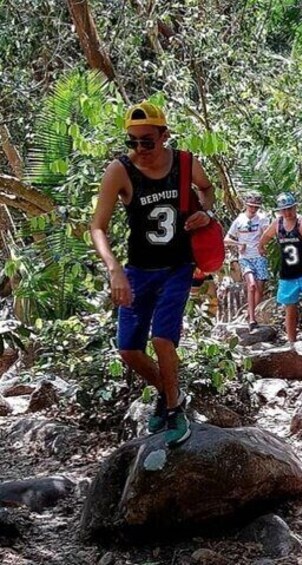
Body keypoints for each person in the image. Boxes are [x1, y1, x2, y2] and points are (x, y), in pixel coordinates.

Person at [90, 101, 216, 447]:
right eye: (132, 142)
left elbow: (207, 190)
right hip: (137, 269)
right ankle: (167, 390)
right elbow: (97, 227)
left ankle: (175, 409)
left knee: (162, 338)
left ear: (164, 136)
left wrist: (205, 212)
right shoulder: (120, 171)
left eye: (147, 141)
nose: (140, 149)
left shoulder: (187, 163)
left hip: (178, 266)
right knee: (128, 350)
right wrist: (114, 269)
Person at [259, 192, 302, 343]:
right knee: (290, 308)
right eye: (284, 210)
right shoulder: (278, 224)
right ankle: (291, 342)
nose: (287, 213)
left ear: (295, 207)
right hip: (288, 275)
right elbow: (266, 236)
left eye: (290, 208)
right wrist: (261, 246)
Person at [224, 192, 271, 330]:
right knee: (251, 286)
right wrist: (239, 244)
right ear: (246, 205)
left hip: (259, 256)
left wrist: (263, 243)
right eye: (251, 206)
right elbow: (226, 239)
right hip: (245, 258)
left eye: (256, 207)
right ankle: (251, 319)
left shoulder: (262, 218)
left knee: (260, 288)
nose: (253, 209)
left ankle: (252, 313)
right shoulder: (239, 220)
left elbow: (267, 234)